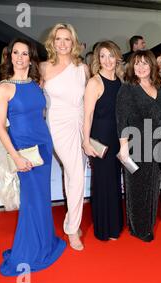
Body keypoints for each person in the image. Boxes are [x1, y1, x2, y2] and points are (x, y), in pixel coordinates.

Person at [0, 38, 66, 276]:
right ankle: (29, 250)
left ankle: (44, 243)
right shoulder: (4, 87)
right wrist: (15, 156)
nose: (20, 57)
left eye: (25, 53)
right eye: (16, 52)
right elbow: (1, 128)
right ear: (10, 56)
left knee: (41, 199)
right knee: (32, 201)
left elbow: (41, 114)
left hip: (43, 145)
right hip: (24, 150)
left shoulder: (36, 83)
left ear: (30, 58)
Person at [40, 23, 90, 250]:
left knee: (73, 176)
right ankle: (71, 230)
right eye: (58, 39)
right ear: (52, 42)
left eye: (67, 39)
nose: (62, 43)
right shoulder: (43, 68)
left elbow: (89, 102)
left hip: (80, 123)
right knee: (76, 175)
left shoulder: (83, 68)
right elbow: (38, 101)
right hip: (57, 126)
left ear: (73, 42)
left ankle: (72, 220)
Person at [116, 50, 161, 242]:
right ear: (131, 66)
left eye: (145, 63)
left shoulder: (158, 86)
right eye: (137, 63)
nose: (141, 67)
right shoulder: (128, 88)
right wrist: (123, 147)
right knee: (137, 186)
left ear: (152, 65)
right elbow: (121, 119)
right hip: (135, 143)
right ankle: (138, 227)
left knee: (152, 185)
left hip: (156, 143)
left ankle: (147, 222)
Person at [83, 41, 124, 241]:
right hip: (100, 139)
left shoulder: (121, 81)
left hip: (118, 139)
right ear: (97, 59)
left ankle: (114, 225)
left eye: (110, 55)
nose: (107, 60)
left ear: (117, 57)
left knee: (115, 182)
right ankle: (103, 229)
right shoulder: (94, 82)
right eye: (102, 56)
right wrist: (86, 142)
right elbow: (87, 115)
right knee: (102, 183)